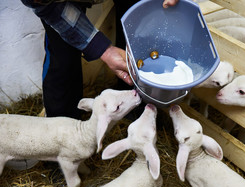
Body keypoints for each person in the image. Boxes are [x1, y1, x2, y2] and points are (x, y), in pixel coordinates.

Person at [20, 0, 179, 119]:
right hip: (60, 4)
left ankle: (135, 110)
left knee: (138, 27)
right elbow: (50, 7)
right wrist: (104, 50)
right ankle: (61, 135)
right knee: (63, 55)